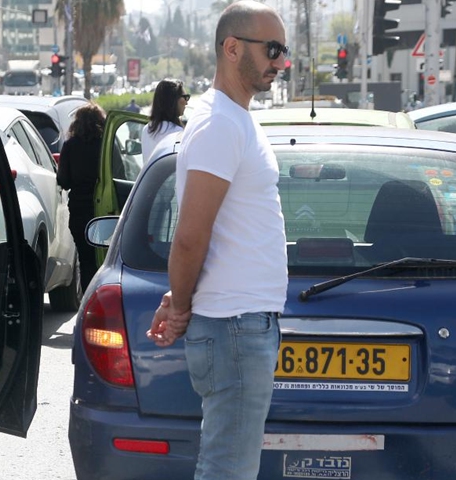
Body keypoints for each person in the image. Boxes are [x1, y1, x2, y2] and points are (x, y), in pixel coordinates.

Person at [147, 2, 288, 479]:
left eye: (282, 51)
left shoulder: (231, 119)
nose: (281, 62)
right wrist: (182, 305)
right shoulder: (221, 123)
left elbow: (220, 233)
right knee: (229, 470)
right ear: (232, 48)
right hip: (235, 327)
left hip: (238, 322)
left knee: (229, 466)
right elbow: (190, 236)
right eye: (272, 49)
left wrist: (181, 296)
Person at [57, 102, 106, 292]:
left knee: (86, 262)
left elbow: (64, 180)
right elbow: (119, 173)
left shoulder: (70, 146)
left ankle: (88, 301)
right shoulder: (105, 146)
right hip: (104, 211)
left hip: (79, 211)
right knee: (106, 261)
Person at [141, 79, 189, 162]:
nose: (186, 102)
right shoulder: (177, 133)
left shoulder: (146, 130)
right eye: (185, 97)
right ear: (173, 100)